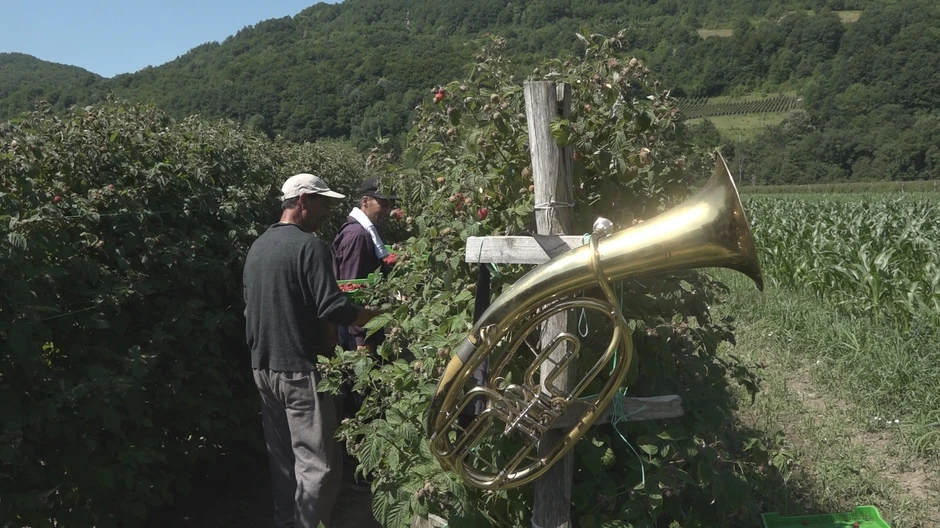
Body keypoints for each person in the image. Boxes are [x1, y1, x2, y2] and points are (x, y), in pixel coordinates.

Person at [242, 172, 384, 528]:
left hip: (263, 368)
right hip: (299, 369)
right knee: (319, 466)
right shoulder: (309, 246)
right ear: (303, 201)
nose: (328, 213)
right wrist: (377, 316)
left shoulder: (258, 247)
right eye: (323, 203)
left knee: (284, 461)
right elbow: (332, 307)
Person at [331, 178, 398, 355]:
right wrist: (361, 339)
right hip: (358, 334)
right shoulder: (358, 236)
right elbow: (354, 289)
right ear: (365, 201)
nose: (388, 210)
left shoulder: (364, 231)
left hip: (361, 327)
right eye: (383, 204)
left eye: (391, 205)